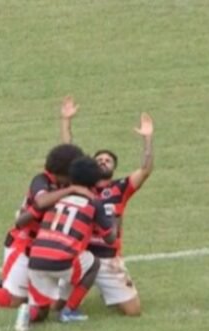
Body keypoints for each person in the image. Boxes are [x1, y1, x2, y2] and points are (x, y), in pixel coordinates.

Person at [0, 142, 92, 307]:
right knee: (14, 300)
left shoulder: (65, 181)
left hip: (46, 247)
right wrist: (71, 191)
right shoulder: (41, 181)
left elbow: (69, 151)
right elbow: (41, 202)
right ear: (61, 172)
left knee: (45, 299)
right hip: (23, 244)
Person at [60, 96, 154, 316]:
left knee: (133, 311)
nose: (103, 161)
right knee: (54, 307)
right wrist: (66, 122)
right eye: (99, 159)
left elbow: (146, 169)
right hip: (81, 255)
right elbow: (68, 152)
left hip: (108, 258)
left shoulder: (121, 188)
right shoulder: (81, 183)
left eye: (108, 160)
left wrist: (148, 139)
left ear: (114, 168)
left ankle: (106, 289)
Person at [19, 156, 116, 324]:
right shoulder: (94, 204)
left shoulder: (54, 198)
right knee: (93, 264)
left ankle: (27, 315)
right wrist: (113, 218)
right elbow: (110, 239)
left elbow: (21, 221)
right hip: (61, 262)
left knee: (42, 313)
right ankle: (69, 310)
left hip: (35, 260)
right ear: (95, 180)